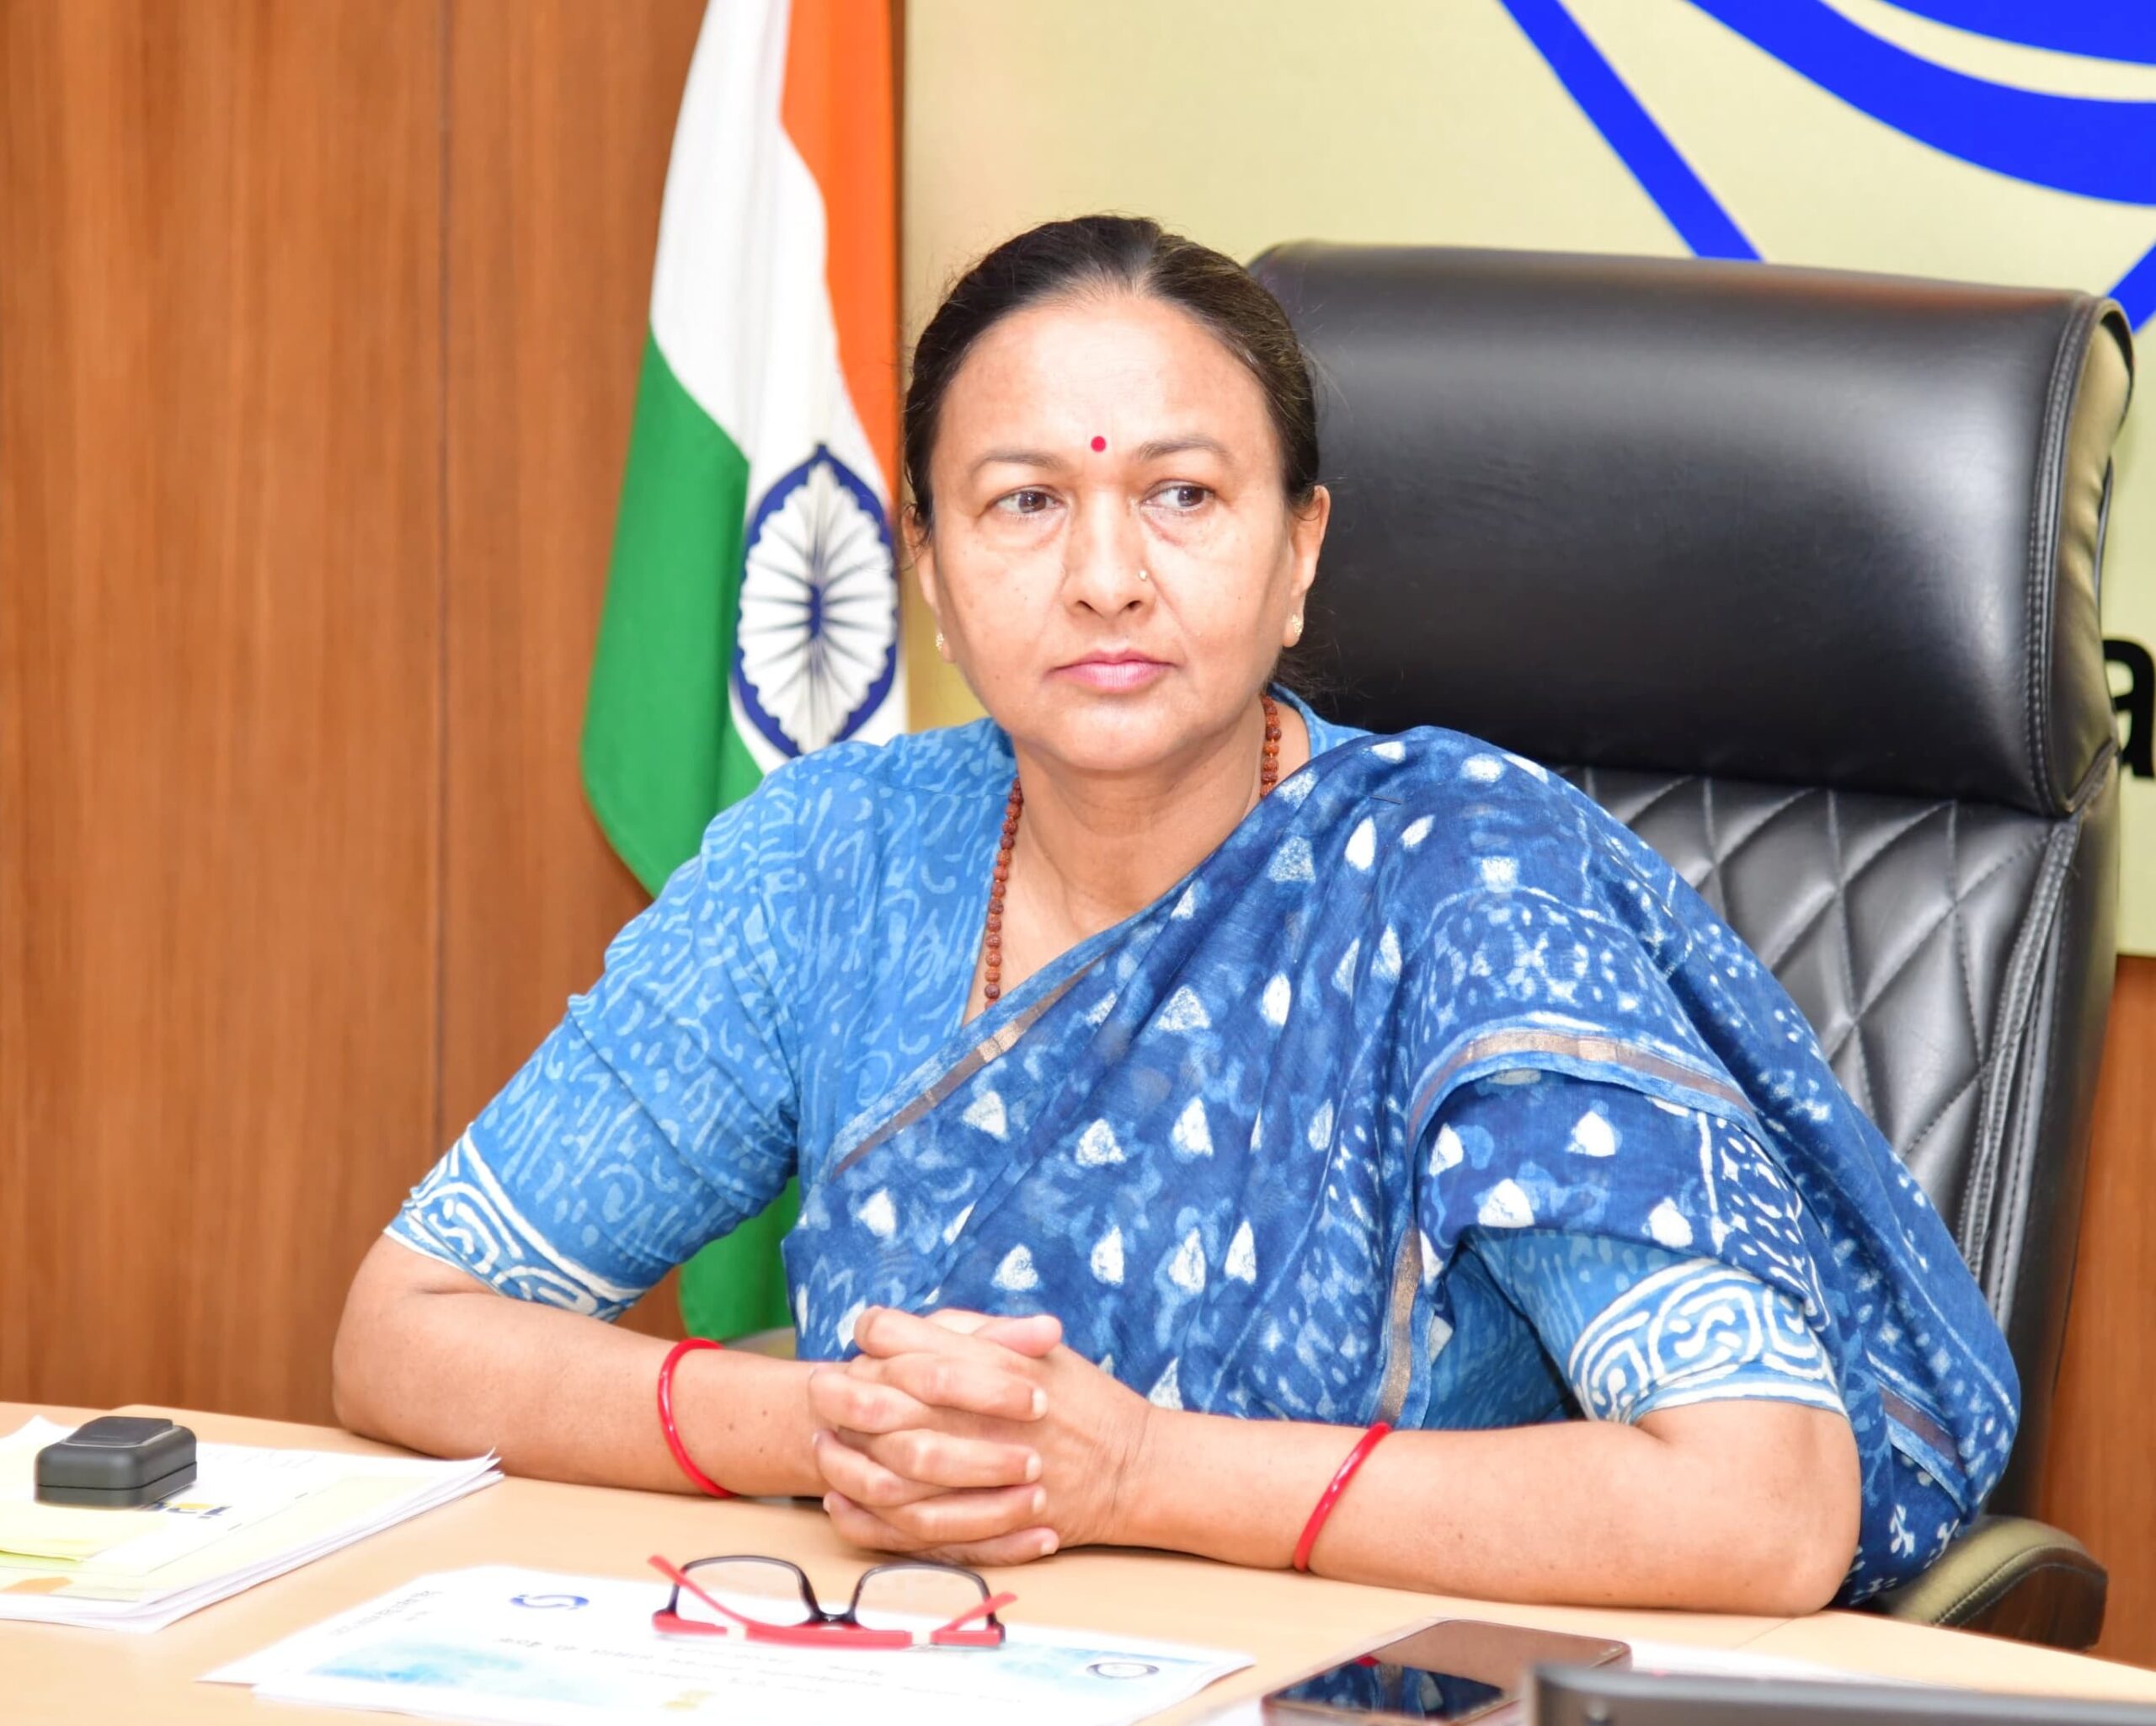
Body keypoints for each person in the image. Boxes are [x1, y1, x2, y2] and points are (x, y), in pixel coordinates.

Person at [333, 215, 2016, 1613]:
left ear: (1300, 553)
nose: (1105, 577)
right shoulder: (832, 862)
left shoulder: (1466, 887)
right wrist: (833, 1427)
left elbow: (1758, 1503)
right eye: (1024, 501)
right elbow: (407, 1331)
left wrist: (1133, 1470)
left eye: (1184, 495)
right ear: (927, 566)